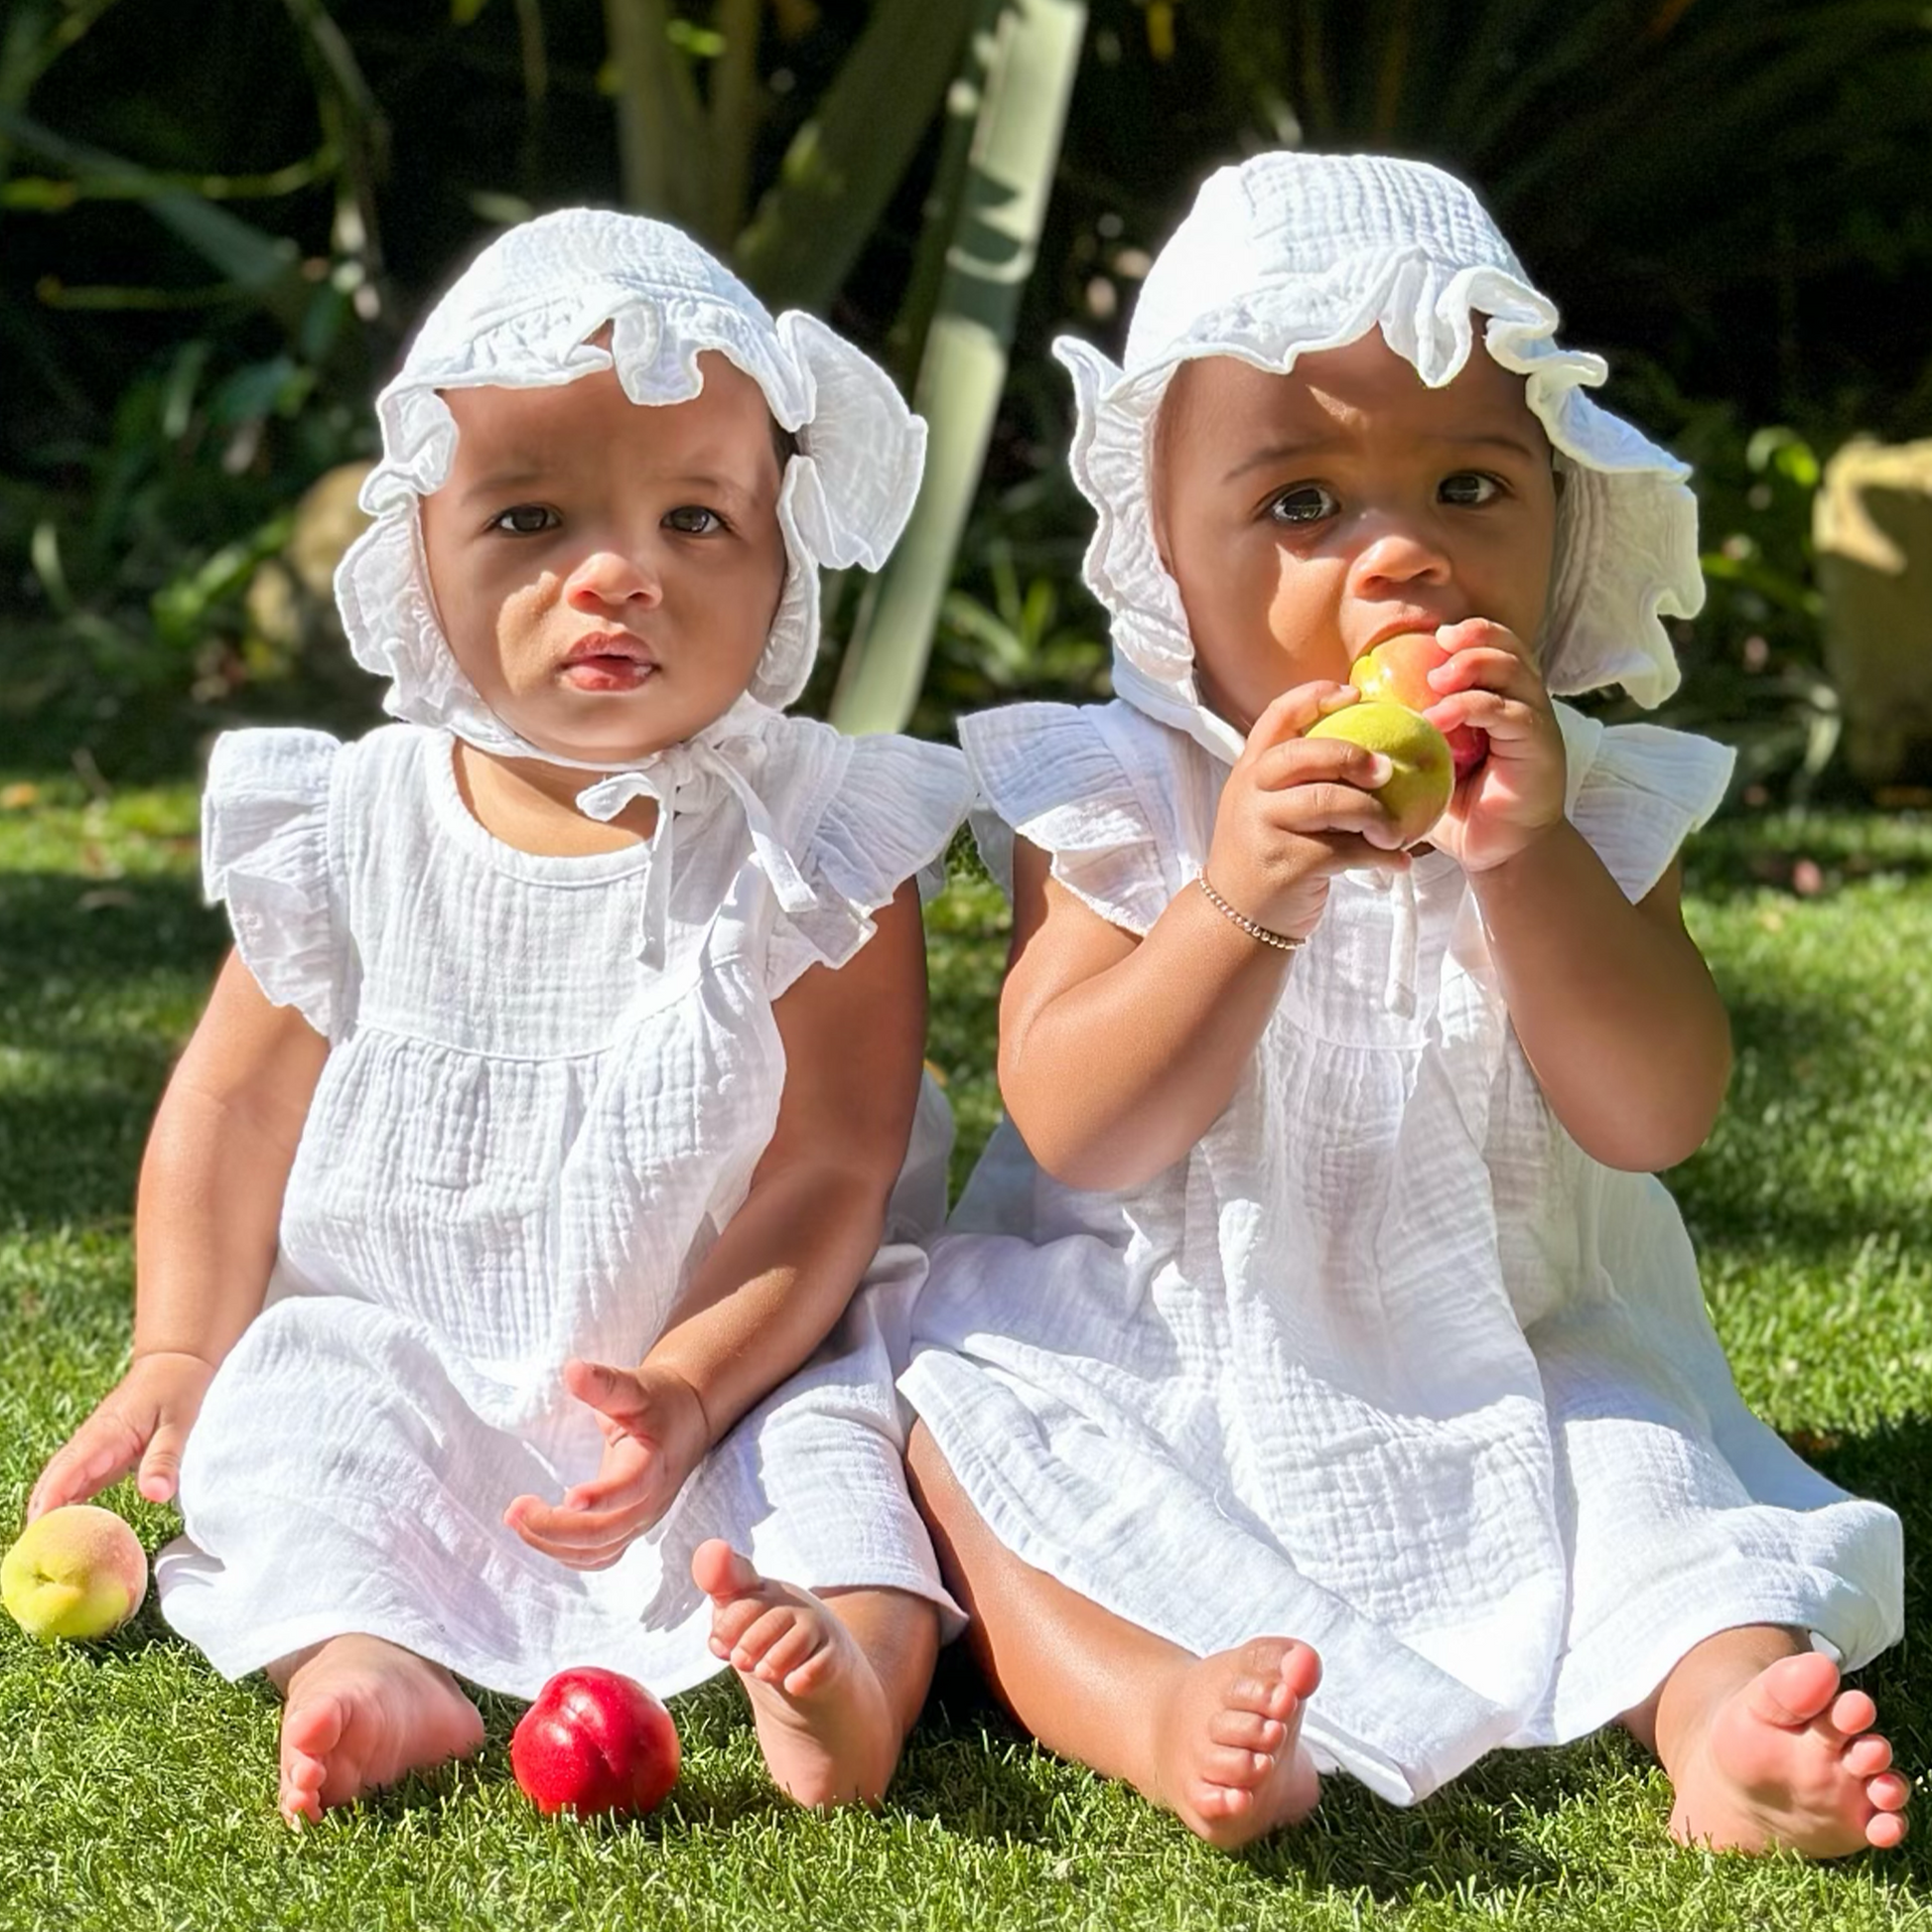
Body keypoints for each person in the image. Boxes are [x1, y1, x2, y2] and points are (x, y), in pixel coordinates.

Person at [899, 153, 1907, 1857]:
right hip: (1178, 1342)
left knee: (1652, 1475)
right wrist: (1236, 899)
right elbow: (1076, 1120)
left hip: (1521, 1347)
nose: (1402, 564)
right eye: (1301, 506)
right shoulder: (1117, 794)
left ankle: (1726, 1708)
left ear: (1561, 514)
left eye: (1466, 487)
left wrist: (1525, 866)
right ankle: (1140, 1692)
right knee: (963, 1424)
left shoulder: (1577, 796)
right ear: (1166, 551)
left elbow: (1651, 1112)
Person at [26, 208, 974, 1826]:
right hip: (422, 1339)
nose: (616, 572)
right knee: (302, 1420)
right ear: (422, 555)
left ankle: (849, 1674)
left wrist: (687, 1383)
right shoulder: (357, 822)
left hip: (733, 1344)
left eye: (696, 519)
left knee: (840, 1449)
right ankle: (359, 1663)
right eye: (532, 517)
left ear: (780, 560)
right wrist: (182, 1340)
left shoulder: (816, 840)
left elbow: (832, 1159)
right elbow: (232, 1108)